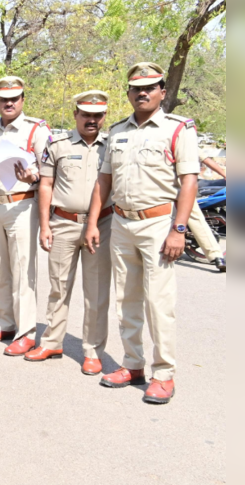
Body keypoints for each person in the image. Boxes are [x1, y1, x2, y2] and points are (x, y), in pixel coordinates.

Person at [85, 62, 199, 405]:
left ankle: (163, 373)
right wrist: (92, 223)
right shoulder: (118, 131)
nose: (143, 93)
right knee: (126, 299)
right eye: (136, 89)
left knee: (158, 302)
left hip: (158, 224)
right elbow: (103, 180)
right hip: (121, 223)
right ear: (129, 93)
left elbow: (189, 180)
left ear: (162, 92)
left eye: (150, 87)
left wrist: (179, 230)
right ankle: (132, 364)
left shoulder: (178, 129)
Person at [26, 91, 112, 375]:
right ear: (75, 114)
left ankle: (92, 351)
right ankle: (52, 342)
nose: (91, 120)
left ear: (104, 117)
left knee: (96, 292)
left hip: (101, 225)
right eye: (85, 114)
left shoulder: (112, 146)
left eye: (97, 115)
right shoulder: (58, 145)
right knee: (58, 287)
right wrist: (45, 225)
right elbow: (46, 186)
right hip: (62, 223)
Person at [0, 76, 52, 356]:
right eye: (3, 98)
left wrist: (32, 174)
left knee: (22, 271)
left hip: (22, 204)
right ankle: (4, 323)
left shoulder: (36, 130)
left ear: (22, 100)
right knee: (0, 268)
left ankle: (27, 332)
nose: (8, 103)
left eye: (14, 98)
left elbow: (49, 171)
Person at [187, 153, 226, 271]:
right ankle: (216, 256)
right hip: (182, 184)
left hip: (182, 185)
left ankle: (216, 256)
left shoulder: (179, 137)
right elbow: (205, 158)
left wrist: (224, 174)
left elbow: (204, 158)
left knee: (192, 214)